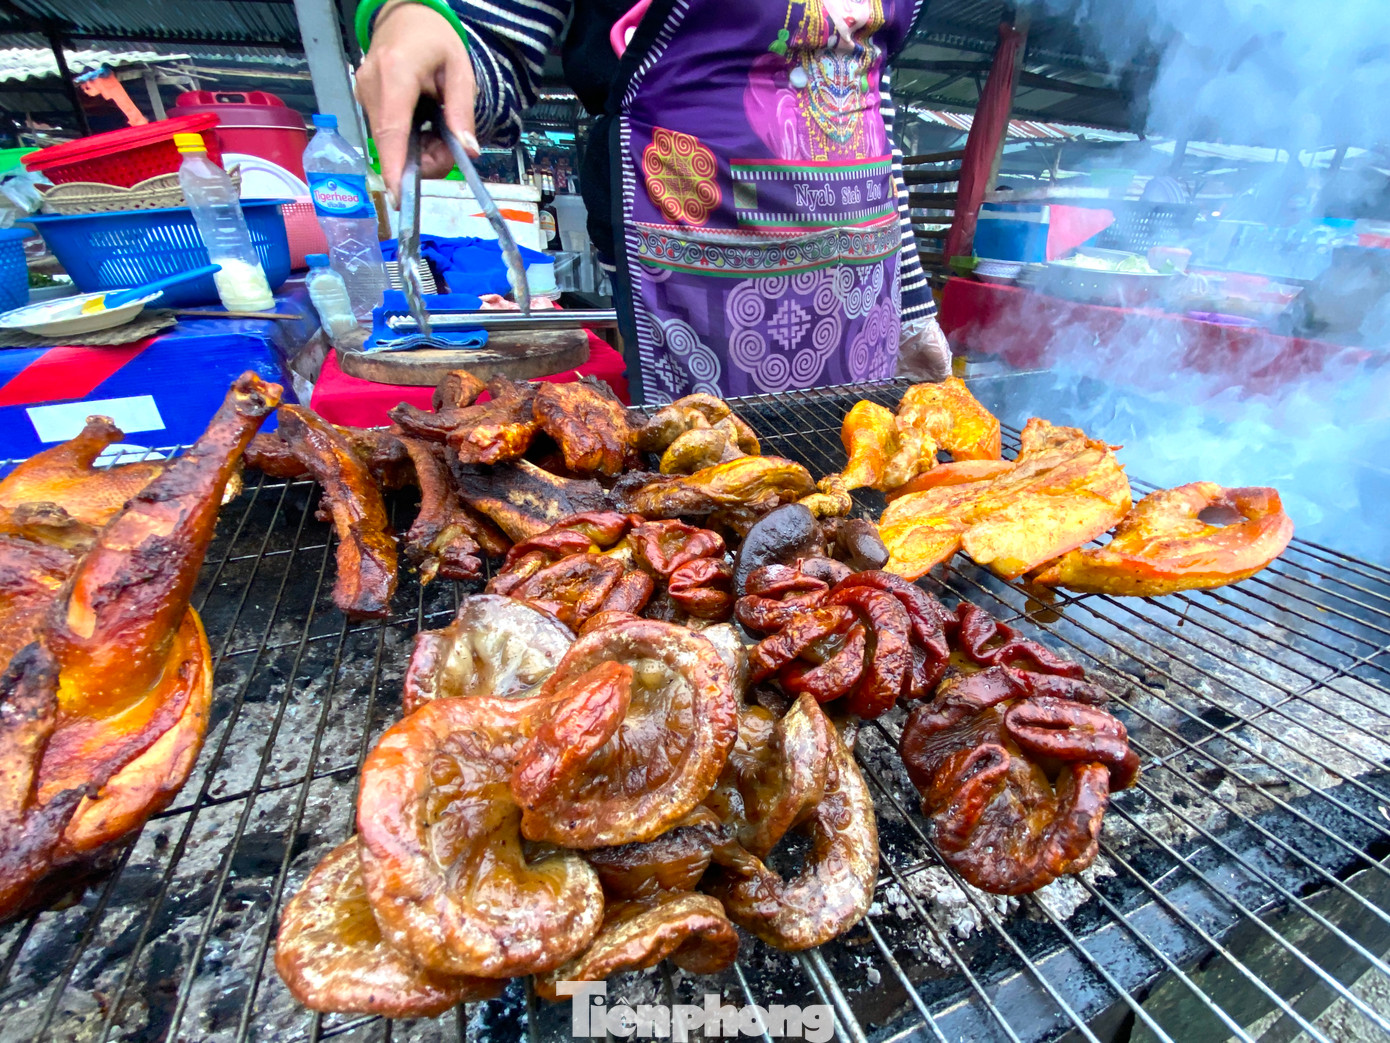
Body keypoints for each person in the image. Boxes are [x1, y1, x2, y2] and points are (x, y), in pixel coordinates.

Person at [355, 0, 953, 402]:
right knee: (700, 487)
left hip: (864, 268)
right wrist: (420, 20)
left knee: (853, 468)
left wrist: (911, 297)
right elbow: (495, 41)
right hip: (694, 241)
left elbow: (872, 96)